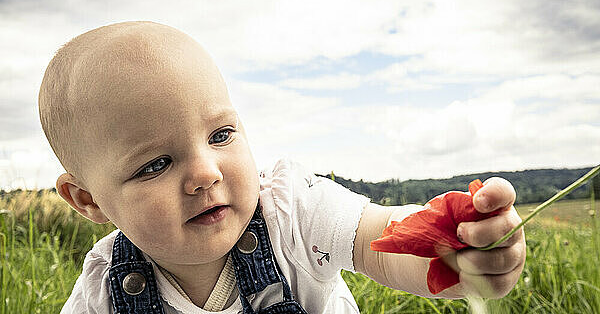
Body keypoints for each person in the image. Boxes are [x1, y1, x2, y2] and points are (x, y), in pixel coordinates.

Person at [38, 21, 526, 313]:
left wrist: (451, 247)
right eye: (157, 164)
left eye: (220, 135)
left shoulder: (291, 213)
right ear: (88, 199)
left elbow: (381, 241)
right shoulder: (105, 293)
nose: (206, 173)